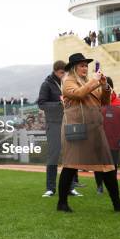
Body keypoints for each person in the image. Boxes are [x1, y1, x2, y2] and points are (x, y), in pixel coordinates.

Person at [56, 53, 120, 213]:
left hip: (95, 129)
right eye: (81, 65)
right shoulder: (67, 81)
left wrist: (105, 86)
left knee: (108, 166)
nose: (85, 68)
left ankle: (117, 204)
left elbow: (105, 101)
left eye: (86, 65)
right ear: (74, 67)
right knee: (71, 166)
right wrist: (95, 81)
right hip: (77, 130)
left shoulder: (90, 82)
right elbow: (79, 94)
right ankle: (62, 203)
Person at [37, 60, 79, 197]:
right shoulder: (47, 84)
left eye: (65, 72)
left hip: (69, 122)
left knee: (71, 156)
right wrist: (59, 104)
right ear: (55, 71)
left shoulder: (68, 83)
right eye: (62, 72)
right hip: (54, 124)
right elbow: (41, 104)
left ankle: (71, 187)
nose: (64, 75)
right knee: (53, 155)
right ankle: (50, 188)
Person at [95, 77, 120, 193]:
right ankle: (99, 185)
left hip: (115, 141)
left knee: (113, 166)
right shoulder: (96, 103)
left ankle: (113, 187)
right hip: (99, 140)